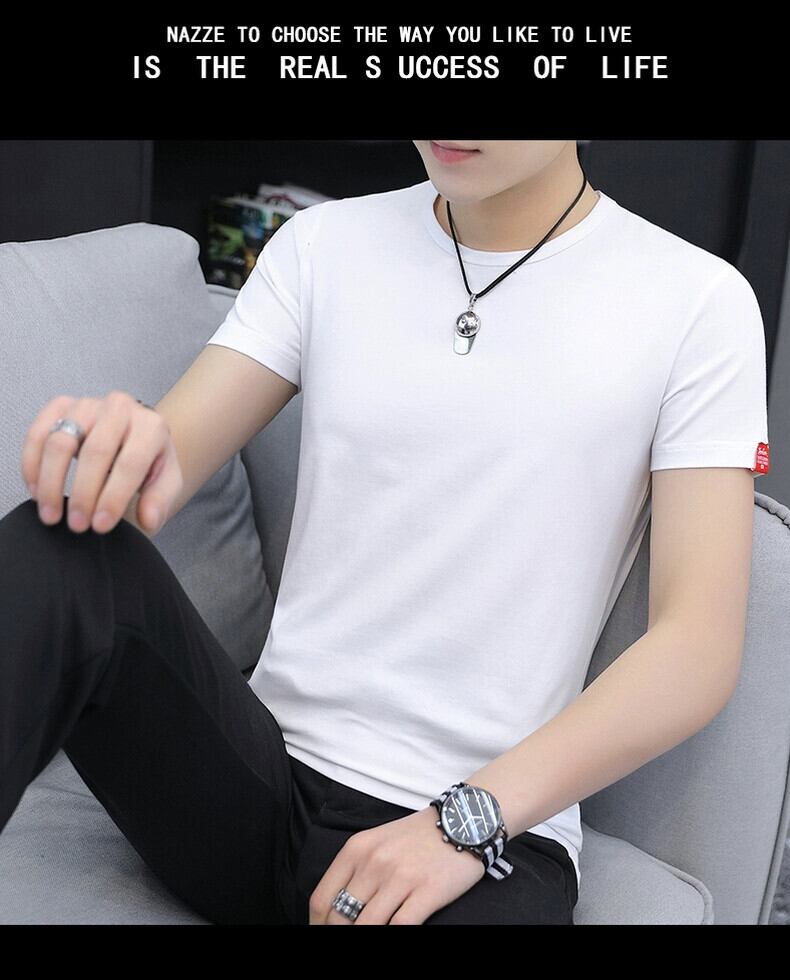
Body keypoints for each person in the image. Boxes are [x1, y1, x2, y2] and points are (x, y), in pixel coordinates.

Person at [0, 140, 770, 925]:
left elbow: (696, 647)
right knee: (60, 550)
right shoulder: (324, 245)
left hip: (484, 845)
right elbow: (160, 469)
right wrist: (117, 449)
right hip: (254, 784)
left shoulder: (697, 303)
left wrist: (464, 823)